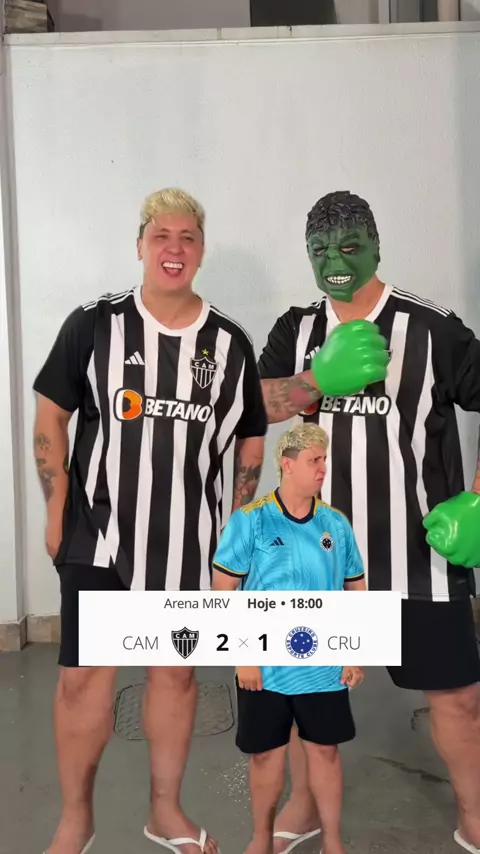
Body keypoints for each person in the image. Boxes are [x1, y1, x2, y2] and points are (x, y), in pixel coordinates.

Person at [33, 187, 267, 854]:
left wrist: (240, 523)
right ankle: (76, 819)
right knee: (84, 679)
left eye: (187, 237)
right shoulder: (93, 324)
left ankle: (165, 811)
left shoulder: (229, 343)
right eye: (161, 235)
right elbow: (51, 415)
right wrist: (55, 506)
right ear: (140, 245)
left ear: (201, 250)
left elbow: (251, 435)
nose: (174, 248)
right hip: (99, 536)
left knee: (175, 674)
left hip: (188, 543)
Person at [257, 189, 480, 854]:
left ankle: (474, 811)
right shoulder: (297, 329)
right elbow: (252, 406)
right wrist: (314, 381)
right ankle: (304, 802)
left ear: (377, 246)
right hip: (314, 558)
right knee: (306, 695)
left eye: (350, 246)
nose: (335, 262)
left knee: (457, 700)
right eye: (320, 250)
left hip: (419, 556)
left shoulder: (432, 329)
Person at [211, 423, 366, 854]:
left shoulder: (335, 523)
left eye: (324, 459)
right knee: (265, 756)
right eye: (314, 460)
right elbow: (223, 591)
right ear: (287, 464)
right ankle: (261, 839)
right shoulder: (251, 521)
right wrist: (243, 656)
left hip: (323, 665)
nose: (322, 468)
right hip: (265, 666)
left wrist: (355, 651)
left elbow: (356, 588)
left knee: (325, 752)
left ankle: (332, 841)